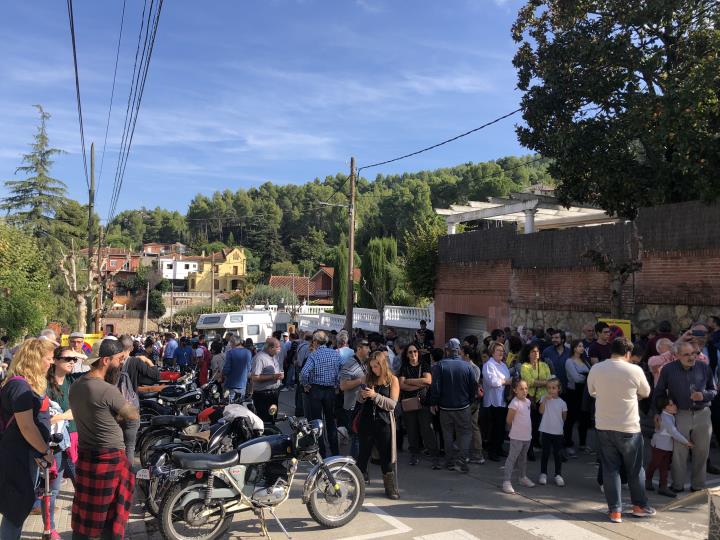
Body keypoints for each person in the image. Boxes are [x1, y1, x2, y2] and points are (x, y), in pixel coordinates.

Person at [69, 337, 139, 540]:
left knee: (85, 514)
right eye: (118, 359)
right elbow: (132, 414)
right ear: (105, 360)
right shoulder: (107, 390)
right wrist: (116, 414)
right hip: (110, 459)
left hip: (87, 456)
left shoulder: (77, 385)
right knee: (112, 516)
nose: (120, 363)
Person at [587, 337, 654, 523]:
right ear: (628, 353)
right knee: (635, 470)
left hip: (604, 425)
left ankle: (615, 510)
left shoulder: (597, 368)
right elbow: (646, 392)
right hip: (629, 426)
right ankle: (639, 506)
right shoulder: (635, 370)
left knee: (610, 469)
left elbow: (591, 391)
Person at [0, 338, 54, 540]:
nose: (51, 363)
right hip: (17, 457)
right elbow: (26, 427)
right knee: (16, 511)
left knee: (16, 511)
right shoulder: (21, 387)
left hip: (18, 454)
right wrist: (44, 451)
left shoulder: (18, 384)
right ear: (35, 360)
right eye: (48, 359)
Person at [653, 340, 716, 493]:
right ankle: (677, 485)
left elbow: (713, 390)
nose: (691, 357)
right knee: (679, 452)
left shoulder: (703, 367)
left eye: (693, 353)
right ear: (677, 356)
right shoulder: (668, 369)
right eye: (686, 354)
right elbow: (659, 391)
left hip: (703, 414)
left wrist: (703, 395)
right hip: (681, 413)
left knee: (701, 452)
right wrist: (657, 412)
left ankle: (698, 485)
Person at [426, 339, 477, 473]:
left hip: (445, 408)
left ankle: (449, 462)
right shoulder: (467, 366)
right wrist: (470, 401)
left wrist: (433, 403)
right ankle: (463, 459)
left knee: (447, 434)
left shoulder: (440, 366)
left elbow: (435, 387)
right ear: (459, 350)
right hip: (463, 407)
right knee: (465, 433)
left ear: (447, 351)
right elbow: (473, 387)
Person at [356, 351, 400, 499]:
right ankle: (359, 486)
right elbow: (359, 400)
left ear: (383, 365)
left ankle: (390, 488)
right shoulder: (367, 378)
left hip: (384, 423)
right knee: (363, 455)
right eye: (372, 367)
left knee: (386, 457)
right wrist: (362, 395)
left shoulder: (392, 380)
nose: (374, 369)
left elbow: (392, 405)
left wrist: (375, 396)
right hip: (366, 422)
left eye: (376, 366)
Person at [117, 335, 158, 462]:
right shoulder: (135, 362)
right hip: (130, 410)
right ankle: (127, 475)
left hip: (114, 409)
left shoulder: (111, 361)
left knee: (115, 445)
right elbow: (156, 376)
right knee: (129, 446)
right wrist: (147, 361)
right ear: (131, 348)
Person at [301, 331, 342, 457]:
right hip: (330, 390)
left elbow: (303, 373)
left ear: (315, 342)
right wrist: (336, 384)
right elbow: (340, 371)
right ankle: (335, 452)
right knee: (330, 421)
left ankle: (321, 453)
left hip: (316, 391)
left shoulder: (314, 355)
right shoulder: (335, 354)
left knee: (317, 423)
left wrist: (306, 385)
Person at [398, 343, 439, 468]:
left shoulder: (425, 365)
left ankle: (434, 456)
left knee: (427, 430)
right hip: (409, 403)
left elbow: (428, 381)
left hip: (423, 403)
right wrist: (419, 383)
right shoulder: (404, 368)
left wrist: (410, 381)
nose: (413, 354)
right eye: (410, 352)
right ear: (407, 354)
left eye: (415, 351)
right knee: (412, 430)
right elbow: (401, 385)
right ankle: (414, 454)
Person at [646, 395, 692, 498]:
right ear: (664, 407)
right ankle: (648, 480)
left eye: (674, 404)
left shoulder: (668, 416)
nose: (674, 406)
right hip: (659, 446)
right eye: (670, 405)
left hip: (665, 446)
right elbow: (674, 432)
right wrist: (686, 442)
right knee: (655, 464)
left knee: (664, 466)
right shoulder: (666, 418)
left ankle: (663, 486)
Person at [339, 339, 370, 459]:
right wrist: (360, 380)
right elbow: (343, 386)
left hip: (363, 403)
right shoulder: (349, 364)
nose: (369, 349)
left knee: (361, 435)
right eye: (366, 347)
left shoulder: (365, 362)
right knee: (356, 435)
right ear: (359, 348)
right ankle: (356, 464)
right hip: (352, 405)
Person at [502, 379, 535, 494]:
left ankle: (522, 477)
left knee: (523, 458)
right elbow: (509, 420)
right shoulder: (514, 403)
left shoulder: (528, 402)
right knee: (512, 459)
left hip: (527, 437)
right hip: (517, 437)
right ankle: (506, 481)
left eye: (526, 388)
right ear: (515, 390)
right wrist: (516, 431)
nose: (525, 391)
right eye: (521, 389)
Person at [520, 343, 550, 459]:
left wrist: (543, 383)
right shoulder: (524, 366)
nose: (536, 353)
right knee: (530, 424)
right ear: (528, 354)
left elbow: (550, 380)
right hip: (530, 399)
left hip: (542, 399)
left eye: (537, 351)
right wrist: (544, 383)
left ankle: (537, 442)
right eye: (533, 351)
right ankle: (529, 449)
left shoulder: (544, 365)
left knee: (539, 424)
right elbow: (529, 382)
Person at [483, 341, 511, 461]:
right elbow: (492, 382)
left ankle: (499, 448)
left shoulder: (503, 365)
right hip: (492, 401)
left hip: (503, 400)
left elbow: (508, 379)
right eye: (498, 350)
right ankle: (492, 451)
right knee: (493, 427)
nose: (501, 352)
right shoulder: (489, 365)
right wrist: (506, 382)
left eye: (502, 350)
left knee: (500, 427)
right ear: (492, 352)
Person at [538, 378, 567, 486]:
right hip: (546, 430)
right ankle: (543, 473)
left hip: (558, 432)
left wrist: (558, 425)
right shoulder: (543, 399)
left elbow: (564, 417)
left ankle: (558, 474)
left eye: (554, 388)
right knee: (545, 453)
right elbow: (541, 411)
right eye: (549, 388)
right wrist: (544, 400)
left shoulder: (562, 403)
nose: (551, 390)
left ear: (558, 389)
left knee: (557, 454)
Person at [564, 339, 591, 453]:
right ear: (574, 348)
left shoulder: (585, 361)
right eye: (579, 346)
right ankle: (568, 443)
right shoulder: (569, 361)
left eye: (582, 346)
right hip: (573, 393)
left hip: (584, 393)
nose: (582, 348)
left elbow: (591, 375)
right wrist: (586, 377)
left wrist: (586, 376)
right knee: (571, 419)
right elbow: (576, 378)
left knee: (584, 419)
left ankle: (583, 443)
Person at [250, 337, 283, 421]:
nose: (279, 349)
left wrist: (280, 376)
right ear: (270, 348)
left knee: (272, 418)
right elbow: (254, 377)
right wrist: (273, 377)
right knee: (264, 420)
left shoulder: (274, 357)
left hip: (273, 394)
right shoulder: (259, 358)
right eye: (278, 347)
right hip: (263, 395)